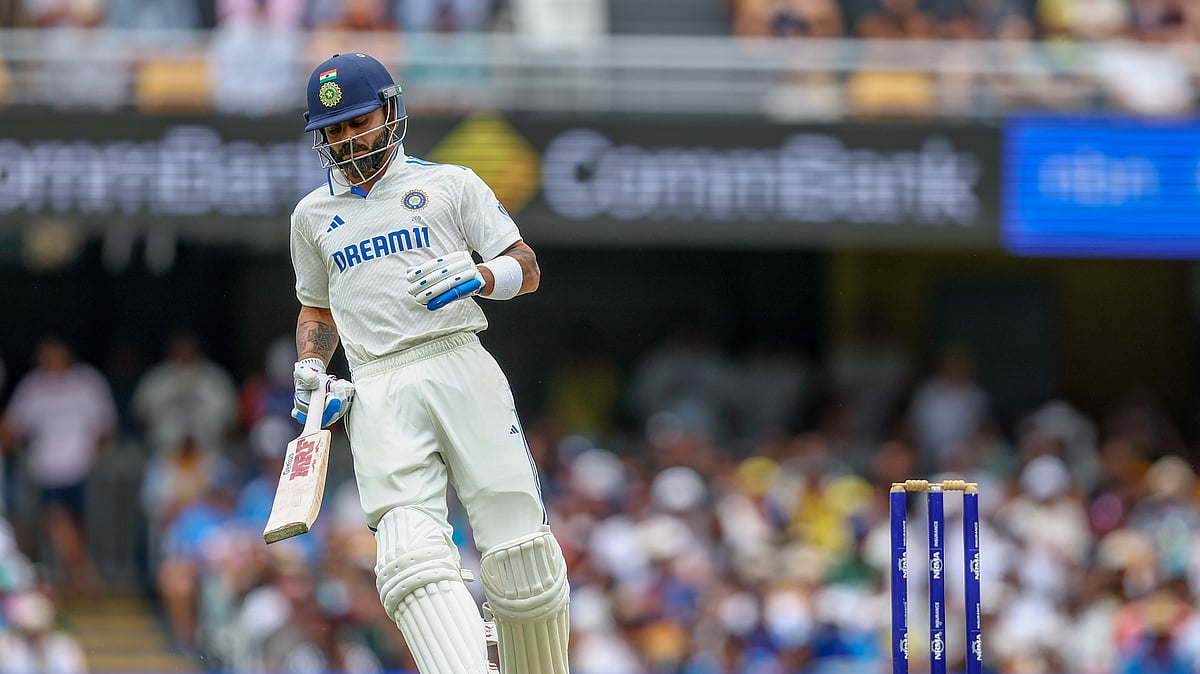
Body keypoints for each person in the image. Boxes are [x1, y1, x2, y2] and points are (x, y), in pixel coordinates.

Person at [286, 52, 569, 674]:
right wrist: (310, 367)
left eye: (357, 123)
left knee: (520, 550)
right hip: (378, 384)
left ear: (391, 113)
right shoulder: (311, 217)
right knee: (409, 559)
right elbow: (316, 310)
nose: (346, 139)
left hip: (458, 361)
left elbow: (528, 269)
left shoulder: (452, 184)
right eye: (332, 131)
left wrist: (479, 274)